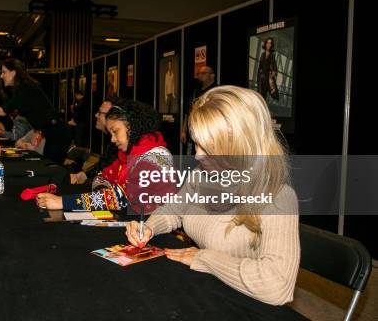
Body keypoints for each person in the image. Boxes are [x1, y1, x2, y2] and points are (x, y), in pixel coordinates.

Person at [126, 85, 299, 306]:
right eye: (197, 143)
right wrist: (149, 227)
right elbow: (174, 210)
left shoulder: (279, 197)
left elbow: (277, 287)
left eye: (208, 148)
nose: (198, 156)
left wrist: (204, 258)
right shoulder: (203, 175)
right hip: (204, 290)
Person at [36, 99, 174, 211]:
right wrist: (104, 195)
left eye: (115, 131)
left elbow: (122, 198)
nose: (113, 139)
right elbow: (102, 176)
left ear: (132, 127)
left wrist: (64, 202)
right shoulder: (126, 154)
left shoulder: (157, 156)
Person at [0, 58, 72, 164]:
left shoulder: (25, 87)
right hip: (52, 132)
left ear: (14, 72)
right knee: (49, 167)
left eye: (4, 72)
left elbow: (3, 111)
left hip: (57, 132)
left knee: (52, 169)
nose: (1, 76)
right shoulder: (23, 87)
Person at [68, 97, 122, 185]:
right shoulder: (111, 141)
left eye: (100, 113)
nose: (96, 115)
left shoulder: (121, 145)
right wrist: (83, 175)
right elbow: (103, 166)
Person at [180, 65, 216, 154]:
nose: (200, 75)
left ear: (212, 75)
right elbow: (188, 112)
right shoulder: (196, 91)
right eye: (198, 73)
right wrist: (184, 130)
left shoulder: (216, 91)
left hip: (207, 131)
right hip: (192, 132)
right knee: (191, 156)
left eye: (203, 73)